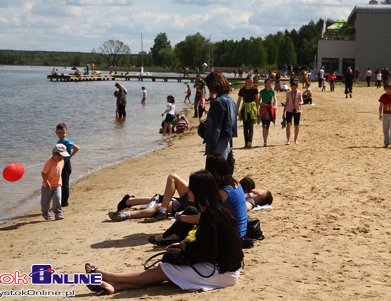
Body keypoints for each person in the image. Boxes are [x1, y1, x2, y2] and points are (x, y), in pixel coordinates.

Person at [84, 170, 244, 295]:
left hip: (222, 273)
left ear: (199, 191)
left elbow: (207, 253)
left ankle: (108, 276)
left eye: (191, 189)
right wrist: (183, 246)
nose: (188, 191)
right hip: (223, 269)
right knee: (165, 271)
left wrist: (185, 251)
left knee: (163, 270)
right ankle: (115, 285)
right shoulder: (214, 211)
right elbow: (211, 246)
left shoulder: (211, 216)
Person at [202, 71, 237, 159]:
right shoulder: (230, 101)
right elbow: (229, 124)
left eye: (208, 85)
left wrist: (211, 148)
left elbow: (217, 129)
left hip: (218, 142)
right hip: (227, 142)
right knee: (222, 169)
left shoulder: (218, 102)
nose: (208, 88)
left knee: (214, 170)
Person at [41, 144, 69, 220]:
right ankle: (45, 212)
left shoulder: (62, 161)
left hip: (57, 184)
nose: (62, 158)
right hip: (47, 185)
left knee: (58, 198)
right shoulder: (49, 163)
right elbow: (43, 173)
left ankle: (57, 213)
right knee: (46, 201)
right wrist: (47, 182)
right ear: (54, 154)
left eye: (63, 157)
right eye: (60, 157)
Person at [56, 123, 80, 207]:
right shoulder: (59, 141)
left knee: (65, 183)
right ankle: (62, 200)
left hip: (66, 165)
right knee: (61, 182)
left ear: (66, 133)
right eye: (59, 133)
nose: (61, 135)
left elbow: (77, 148)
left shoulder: (65, 141)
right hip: (62, 164)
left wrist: (69, 157)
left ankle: (65, 202)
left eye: (63, 133)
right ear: (56, 133)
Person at [236, 76, 259, 149]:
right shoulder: (242, 90)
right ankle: (246, 143)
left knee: (251, 125)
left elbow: (257, 100)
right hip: (245, 108)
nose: (250, 83)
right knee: (245, 127)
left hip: (252, 108)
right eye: (249, 82)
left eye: (251, 82)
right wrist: (237, 109)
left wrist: (257, 110)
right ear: (246, 81)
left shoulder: (254, 89)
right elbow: (239, 99)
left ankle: (250, 141)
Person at [257, 78, 277, 147]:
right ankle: (265, 141)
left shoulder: (273, 91)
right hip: (263, 108)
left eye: (270, 83)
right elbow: (258, 101)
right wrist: (257, 109)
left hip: (270, 108)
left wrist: (276, 105)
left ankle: (266, 139)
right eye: (267, 83)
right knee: (264, 125)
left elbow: (275, 99)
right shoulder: (262, 91)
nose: (269, 84)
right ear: (265, 84)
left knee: (267, 125)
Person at [283, 81, 303, 145]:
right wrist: (283, 112)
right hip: (289, 109)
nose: (293, 89)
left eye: (295, 88)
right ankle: (288, 140)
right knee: (288, 124)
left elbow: (301, 100)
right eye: (292, 88)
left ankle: (295, 139)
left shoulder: (299, 93)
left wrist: (301, 103)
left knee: (296, 125)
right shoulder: (288, 93)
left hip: (297, 110)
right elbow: (286, 102)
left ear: (297, 87)